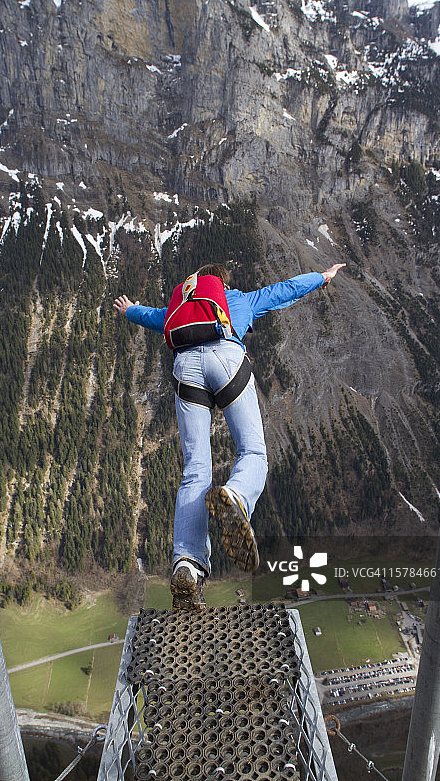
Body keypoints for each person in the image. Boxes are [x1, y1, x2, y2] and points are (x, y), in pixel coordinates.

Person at [114, 261, 345, 611]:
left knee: (195, 470)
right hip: (227, 361)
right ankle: (235, 496)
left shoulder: (181, 307)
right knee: (252, 452)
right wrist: (321, 278)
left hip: (185, 369)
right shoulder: (236, 299)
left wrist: (130, 310)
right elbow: (283, 290)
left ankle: (187, 565)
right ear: (221, 282)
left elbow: (153, 317)